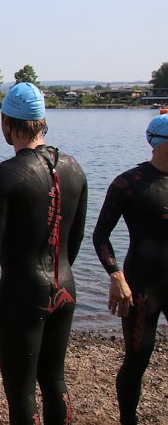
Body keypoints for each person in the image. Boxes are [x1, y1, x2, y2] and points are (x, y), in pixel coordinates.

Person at [0, 82, 88, 425]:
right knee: (55, 380)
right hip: (65, 286)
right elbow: (75, 240)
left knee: (22, 391)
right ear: (42, 121)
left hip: (22, 294)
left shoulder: (5, 175)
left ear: (6, 123)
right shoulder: (75, 168)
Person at [92, 113, 168, 425]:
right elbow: (100, 236)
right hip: (142, 286)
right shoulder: (129, 183)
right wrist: (115, 276)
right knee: (137, 360)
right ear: (160, 143)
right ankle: (128, 420)